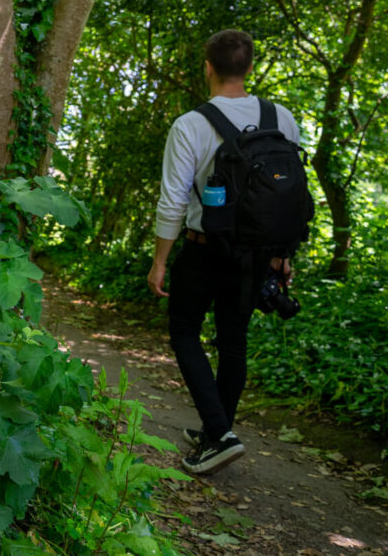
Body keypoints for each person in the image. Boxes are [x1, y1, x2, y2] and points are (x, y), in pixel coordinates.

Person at [148, 29, 300, 475]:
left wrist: (160, 261)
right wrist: (283, 253)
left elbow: (173, 199)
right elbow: (291, 195)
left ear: (208, 67)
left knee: (184, 331)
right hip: (259, 254)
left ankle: (220, 432)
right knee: (234, 342)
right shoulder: (281, 117)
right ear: (250, 67)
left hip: (204, 248)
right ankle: (219, 431)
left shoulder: (191, 124)